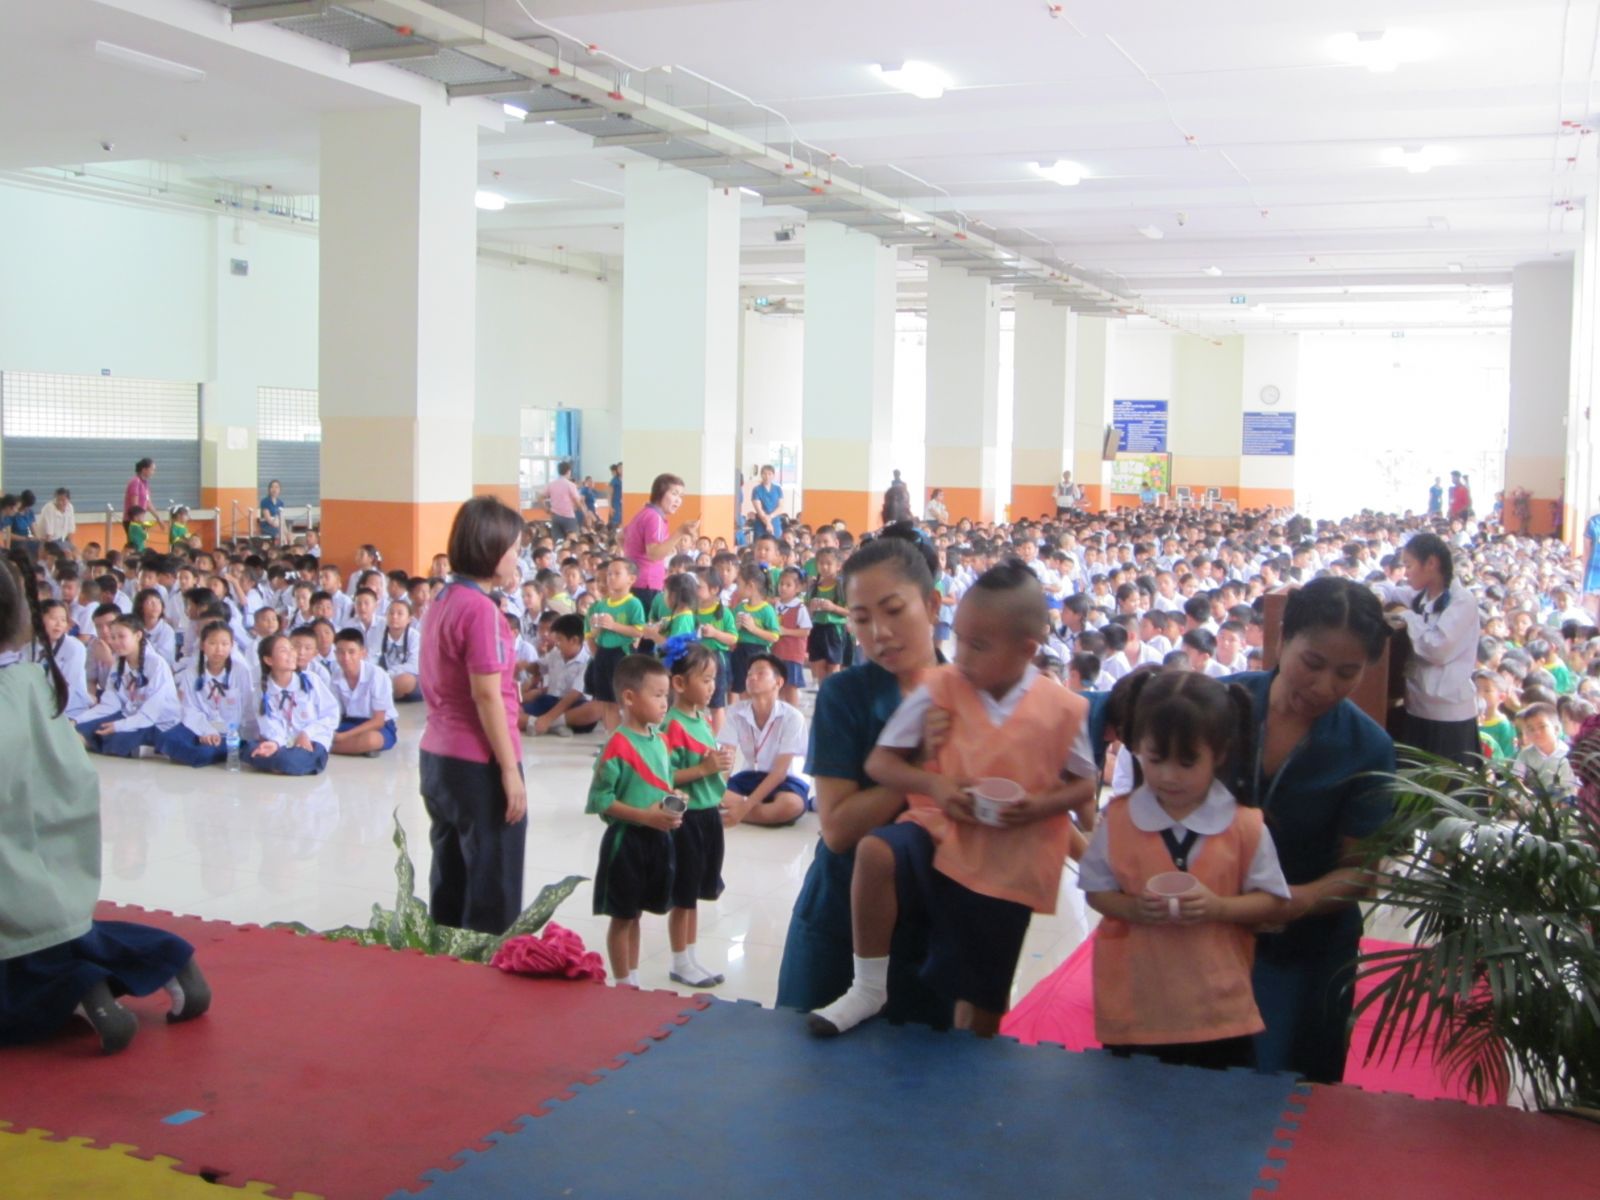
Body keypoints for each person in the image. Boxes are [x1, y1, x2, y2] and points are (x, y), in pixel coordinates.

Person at [807, 563, 1096, 1038]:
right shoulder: (940, 687)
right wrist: (935, 785)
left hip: (1006, 861)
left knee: (979, 999)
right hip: (938, 826)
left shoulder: (1061, 708)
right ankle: (868, 986)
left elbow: (1085, 786)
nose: (960, 655)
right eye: (958, 639)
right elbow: (881, 764)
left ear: (1026, 651)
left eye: (977, 645)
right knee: (876, 851)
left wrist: (1039, 808)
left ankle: (969, 1062)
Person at [0, 554, 210, 1055]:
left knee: (21, 970)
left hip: (11, 872)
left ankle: (79, 991)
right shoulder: (33, 678)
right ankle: (168, 957)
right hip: (55, 860)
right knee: (73, 934)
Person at [774, 528, 953, 1028]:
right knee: (806, 1058)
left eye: (894, 611)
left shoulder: (971, 696)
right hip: (840, 917)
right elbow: (838, 829)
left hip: (936, 917)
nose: (879, 632)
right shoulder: (846, 695)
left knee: (930, 1066)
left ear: (932, 605)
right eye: (861, 618)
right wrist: (916, 764)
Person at [1228, 577, 1396, 1083]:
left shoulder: (1369, 748)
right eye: (1313, 663)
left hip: (1306, 943)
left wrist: (1293, 902)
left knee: (1292, 1088)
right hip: (1204, 928)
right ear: (1283, 638)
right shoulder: (1217, 705)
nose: (1324, 687)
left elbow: (1360, 872)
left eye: (1348, 673)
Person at [1080, 670, 1291, 1069]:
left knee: (1216, 1104)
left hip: (1218, 1010)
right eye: (1156, 759)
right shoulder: (1119, 819)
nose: (1168, 775)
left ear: (1220, 754)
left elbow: (1273, 902)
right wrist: (1132, 908)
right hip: (1135, 1007)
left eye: (1187, 762)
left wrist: (1218, 908)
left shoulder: (1244, 825)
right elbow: (1096, 891)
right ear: (1136, 747)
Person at [418, 496, 529, 935]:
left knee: (452, 879)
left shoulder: (444, 598)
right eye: (514, 548)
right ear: (490, 549)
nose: (517, 558)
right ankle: (485, 974)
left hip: (439, 758)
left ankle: (444, 968)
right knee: (492, 888)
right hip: (477, 762)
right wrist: (509, 770)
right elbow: (486, 696)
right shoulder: (480, 610)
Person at [586, 653, 684, 987]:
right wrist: (644, 816)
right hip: (626, 842)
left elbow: (663, 785)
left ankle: (634, 979)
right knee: (622, 916)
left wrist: (675, 801)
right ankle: (623, 983)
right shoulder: (617, 744)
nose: (665, 703)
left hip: (657, 839)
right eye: (657, 695)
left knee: (637, 912)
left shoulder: (660, 740)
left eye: (666, 695)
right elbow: (601, 800)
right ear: (629, 697)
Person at [662, 642, 736, 988]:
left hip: (707, 815)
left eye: (714, 679)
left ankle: (690, 957)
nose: (712, 687)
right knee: (684, 895)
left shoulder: (702, 719)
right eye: (705, 680)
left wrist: (718, 768)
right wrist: (705, 769)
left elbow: (706, 766)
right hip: (686, 818)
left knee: (695, 893)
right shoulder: (672, 725)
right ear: (679, 683)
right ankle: (680, 961)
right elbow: (663, 777)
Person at [1393, 533, 1481, 765]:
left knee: (1447, 783)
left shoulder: (1462, 601)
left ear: (1431, 563)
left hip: (1449, 714)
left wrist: (1408, 617)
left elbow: (1437, 649)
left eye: (1409, 565)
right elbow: (1390, 590)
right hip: (1417, 707)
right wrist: (1379, 594)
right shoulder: (1421, 596)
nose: (1406, 573)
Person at [718, 653, 810, 828]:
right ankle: (765, 813)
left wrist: (744, 807)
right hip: (750, 776)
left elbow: (780, 772)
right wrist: (716, 790)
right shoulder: (735, 713)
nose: (752, 677)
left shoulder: (793, 717)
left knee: (791, 805)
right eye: (749, 674)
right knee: (710, 793)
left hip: (786, 780)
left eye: (760, 673)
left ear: (778, 682)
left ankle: (737, 812)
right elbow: (726, 760)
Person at [75, 615, 181, 757]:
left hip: (157, 721)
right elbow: (109, 705)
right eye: (113, 637)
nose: (116, 642)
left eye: (121, 636)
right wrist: (77, 719)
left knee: (116, 739)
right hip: (131, 714)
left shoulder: (156, 665)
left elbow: (151, 713)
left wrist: (118, 726)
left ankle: (150, 748)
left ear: (138, 635)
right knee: (83, 728)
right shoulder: (118, 663)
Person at [157, 621, 257, 767]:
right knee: (165, 738)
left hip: (229, 732)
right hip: (199, 727)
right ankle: (204, 747)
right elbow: (188, 708)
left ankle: (213, 750)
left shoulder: (240, 671)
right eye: (212, 643)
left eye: (224, 644)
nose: (219, 649)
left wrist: (244, 735)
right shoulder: (192, 673)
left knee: (202, 753)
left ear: (232, 646)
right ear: (202, 645)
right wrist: (206, 731)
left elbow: (247, 707)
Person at [245, 634, 340, 775]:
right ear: (269, 660)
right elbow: (268, 724)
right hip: (282, 743)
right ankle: (281, 763)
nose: (291, 654)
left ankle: (278, 764)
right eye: (284, 650)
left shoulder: (310, 680)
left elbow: (331, 714)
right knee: (248, 750)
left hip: (311, 742)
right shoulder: (262, 691)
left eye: (291, 649)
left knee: (290, 760)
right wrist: (276, 744)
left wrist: (306, 733)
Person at [621, 473, 700, 613]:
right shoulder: (655, 517)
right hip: (647, 585)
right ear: (660, 492)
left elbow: (621, 537)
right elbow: (654, 554)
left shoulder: (643, 513)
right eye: (674, 494)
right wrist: (680, 532)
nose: (678, 500)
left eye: (681, 496)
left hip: (635, 581)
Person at [523, 613, 603, 736]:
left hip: (574, 706)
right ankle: (550, 725)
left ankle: (547, 724)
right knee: (513, 712)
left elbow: (574, 695)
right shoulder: (555, 653)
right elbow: (539, 667)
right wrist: (525, 665)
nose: (556, 643)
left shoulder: (588, 661)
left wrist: (548, 719)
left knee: (595, 710)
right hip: (550, 701)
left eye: (560, 639)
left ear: (574, 640)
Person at [328, 628, 399, 757]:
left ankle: (327, 748)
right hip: (349, 721)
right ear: (335, 653)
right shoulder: (336, 675)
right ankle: (356, 747)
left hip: (378, 724)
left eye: (351, 652)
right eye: (341, 652)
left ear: (363, 653)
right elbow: (336, 713)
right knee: (321, 732)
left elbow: (378, 721)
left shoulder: (377, 675)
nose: (346, 658)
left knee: (372, 740)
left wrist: (343, 736)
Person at [547, 461, 583, 539]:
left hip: (555, 516)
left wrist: (546, 509)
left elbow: (540, 497)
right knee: (572, 541)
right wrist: (582, 510)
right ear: (568, 471)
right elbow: (577, 501)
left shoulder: (552, 484)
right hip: (568, 516)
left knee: (558, 541)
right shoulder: (571, 485)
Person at [749, 464, 785, 538]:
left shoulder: (778, 489)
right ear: (761, 475)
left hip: (775, 522)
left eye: (769, 474)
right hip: (761, 522)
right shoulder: (757, 490)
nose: (767, 476)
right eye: (764, 474)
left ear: (773, 475)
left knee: (775, 543)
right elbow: (759, 510)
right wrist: (768, 523)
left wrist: (770, 517)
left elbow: (780, 507)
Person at [258, 479, 286, 545]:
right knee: (281, 535)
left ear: (280, 490)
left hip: (277, 525)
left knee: (289, 536)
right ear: (269, 489)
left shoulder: (281, 503)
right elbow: (269, 520)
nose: (274, 489)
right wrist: (279, 526)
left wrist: (286, 531)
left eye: (276, 487)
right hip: (267, 526)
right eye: (272, 487)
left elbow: (282, 519)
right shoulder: (265, 501)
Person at [608, 462, 624, 530]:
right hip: (615, 505)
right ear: (617, 470)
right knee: (615, 524)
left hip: (623, 505)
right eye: (619, 468)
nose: (621, 469)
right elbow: (609, 495)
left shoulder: (626, 480)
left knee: (622, 523)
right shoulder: (614, 480)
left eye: (622, 468)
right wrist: (610, 507)